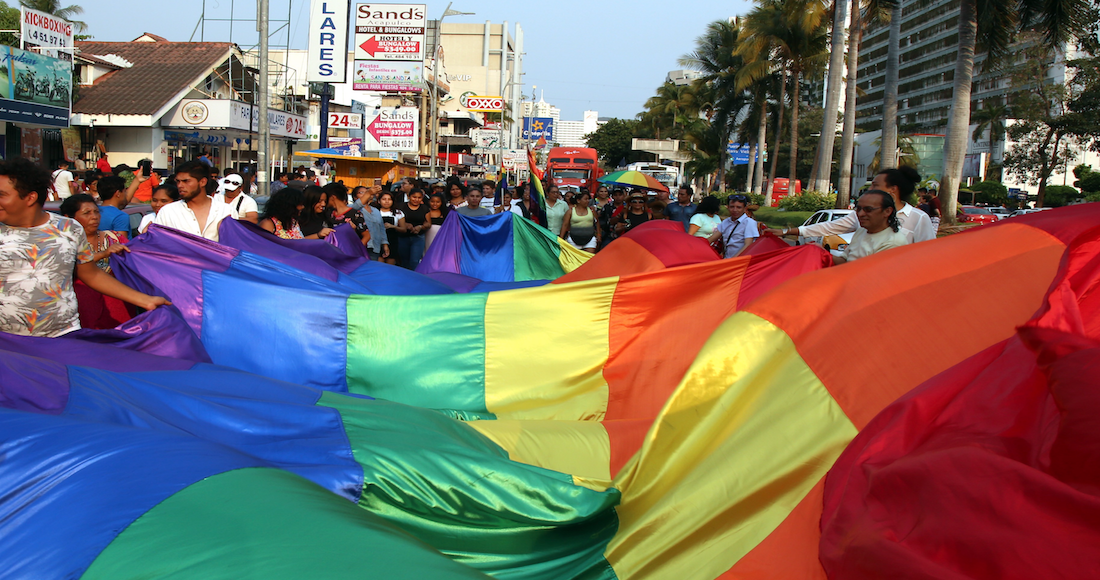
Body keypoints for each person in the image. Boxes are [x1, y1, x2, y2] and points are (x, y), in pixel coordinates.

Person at [0, 157, 168, 337]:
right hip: (8, 343)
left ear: (30, 197)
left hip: (63, 337)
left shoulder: (68, 228)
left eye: (2, 195)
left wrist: (144, 300)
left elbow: (91, 274)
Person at [770, 166, 935, 243]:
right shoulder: (862, 219)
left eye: (875, 186)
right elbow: (829, 227)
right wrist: (786, 231)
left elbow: (926, 254)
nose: (869, 190)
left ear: (893, 189)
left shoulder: (918, 218)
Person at [154, 161, 232, 242]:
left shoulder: (226, 211)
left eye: (186, 181)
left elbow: (235, 244)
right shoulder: (168, 212)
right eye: (178, 181)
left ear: (202, 182)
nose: (180, 185)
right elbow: (159, 244)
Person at [833, 190, 910, 264]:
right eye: (858, 209)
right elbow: (844, 261)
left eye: (868, 209)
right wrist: (825, 255)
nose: (860, 214)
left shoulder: (893, 243)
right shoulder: (861, 231)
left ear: (887, 211)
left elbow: (869, 272)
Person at [708, 194, 760, 258]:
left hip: (740, 260)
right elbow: (711, 239)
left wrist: (733, 260)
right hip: (727, 259)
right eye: (732, 207)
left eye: (739, 207)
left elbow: (748, 245)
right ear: (728, 207)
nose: (735, 210)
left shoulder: (749, 223)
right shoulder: (725, 222)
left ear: (745, 209)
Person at [324, 182, 370, 247]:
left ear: (332, 197)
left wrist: (357, 248)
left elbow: (367, 235)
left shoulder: (355, 214)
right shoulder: (328, 213)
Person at [399, 188, 429, 269]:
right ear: (409, 196)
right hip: (403, 237)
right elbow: (396, 219)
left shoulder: (424, 208)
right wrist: (405, 224)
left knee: (414, 261)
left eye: (419, 198)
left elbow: (428, 223)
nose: (416, 200)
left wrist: (420, 227)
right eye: (414, 197)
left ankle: (414, 276)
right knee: (404, 261)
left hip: (418, 237)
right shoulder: (401, 206)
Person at [378, 191, 405, 265]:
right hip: (378, 241)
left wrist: (393, 226)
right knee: (379, 265)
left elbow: (404, 229)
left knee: (390, 265)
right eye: (384, 199)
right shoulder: (375, 212)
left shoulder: (398, 212)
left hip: (392, 241)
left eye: (389, 199)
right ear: (379, 201)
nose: (387, 201)